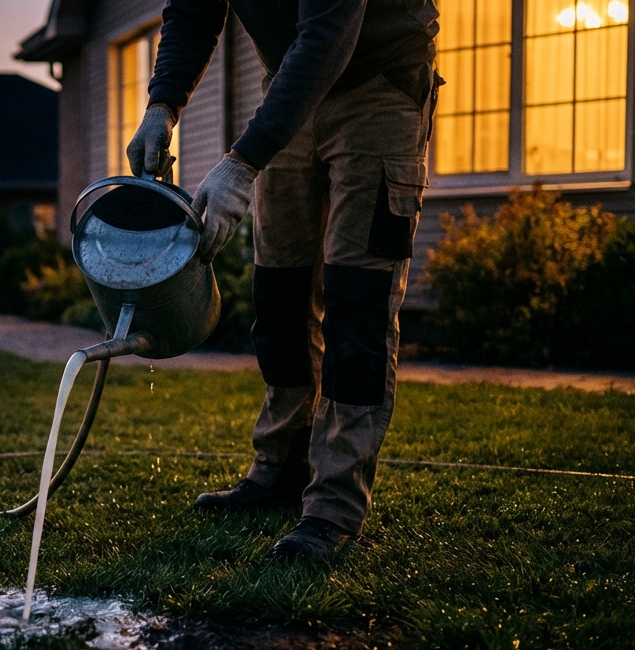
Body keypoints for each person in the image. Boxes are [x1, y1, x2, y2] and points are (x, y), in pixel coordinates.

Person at [125, 0, 440, 561]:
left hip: (380, 85)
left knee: (356, 304)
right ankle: (280, 471)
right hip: (290, 88)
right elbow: (193, 13)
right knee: (280, 298)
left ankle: (332, 508)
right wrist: (161, 105)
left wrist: (242, 163)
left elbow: (328, 34)